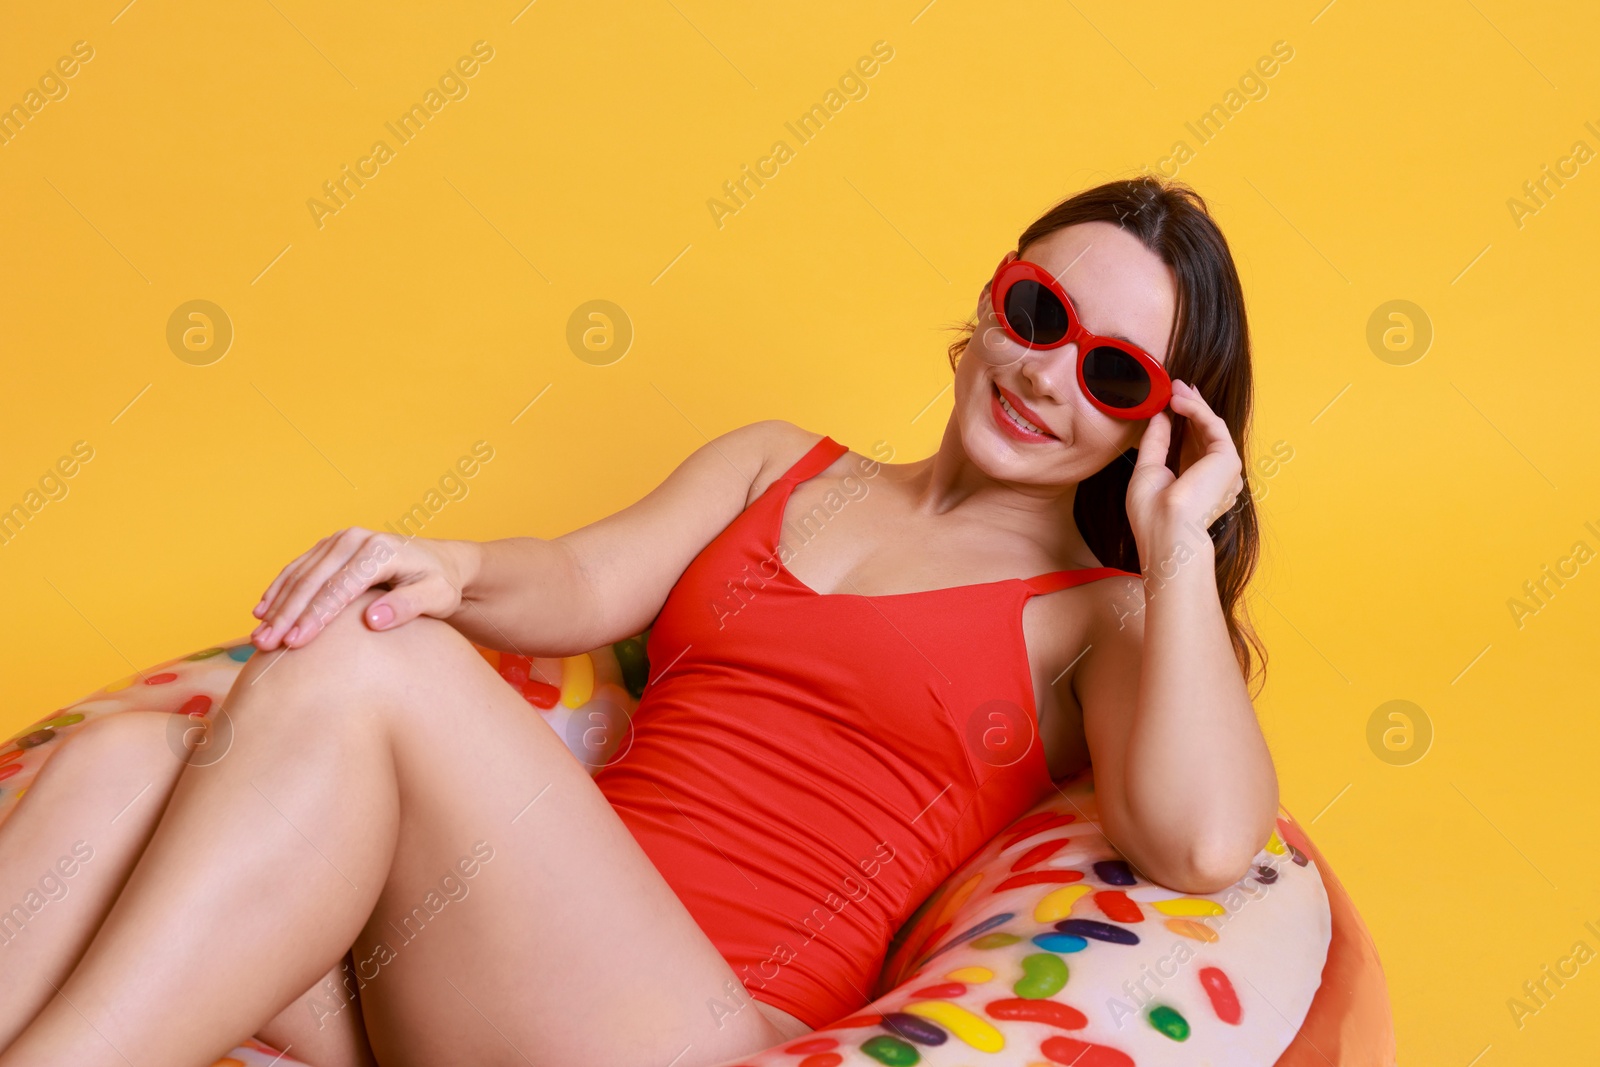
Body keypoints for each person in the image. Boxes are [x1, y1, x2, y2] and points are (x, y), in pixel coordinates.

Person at [0, 176, 1278, 1067]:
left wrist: (1176, 542)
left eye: (1112, 373)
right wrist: (445, 560)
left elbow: (1205, 839)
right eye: (1037, 314)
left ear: (1147, 427)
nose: (1047, 374)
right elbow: (581, 578)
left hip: (694, 1027)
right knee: (121, 761)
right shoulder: (779, 462)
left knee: (375, 666)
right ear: (988, 305)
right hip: (476, 977)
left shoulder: (1105, 619)